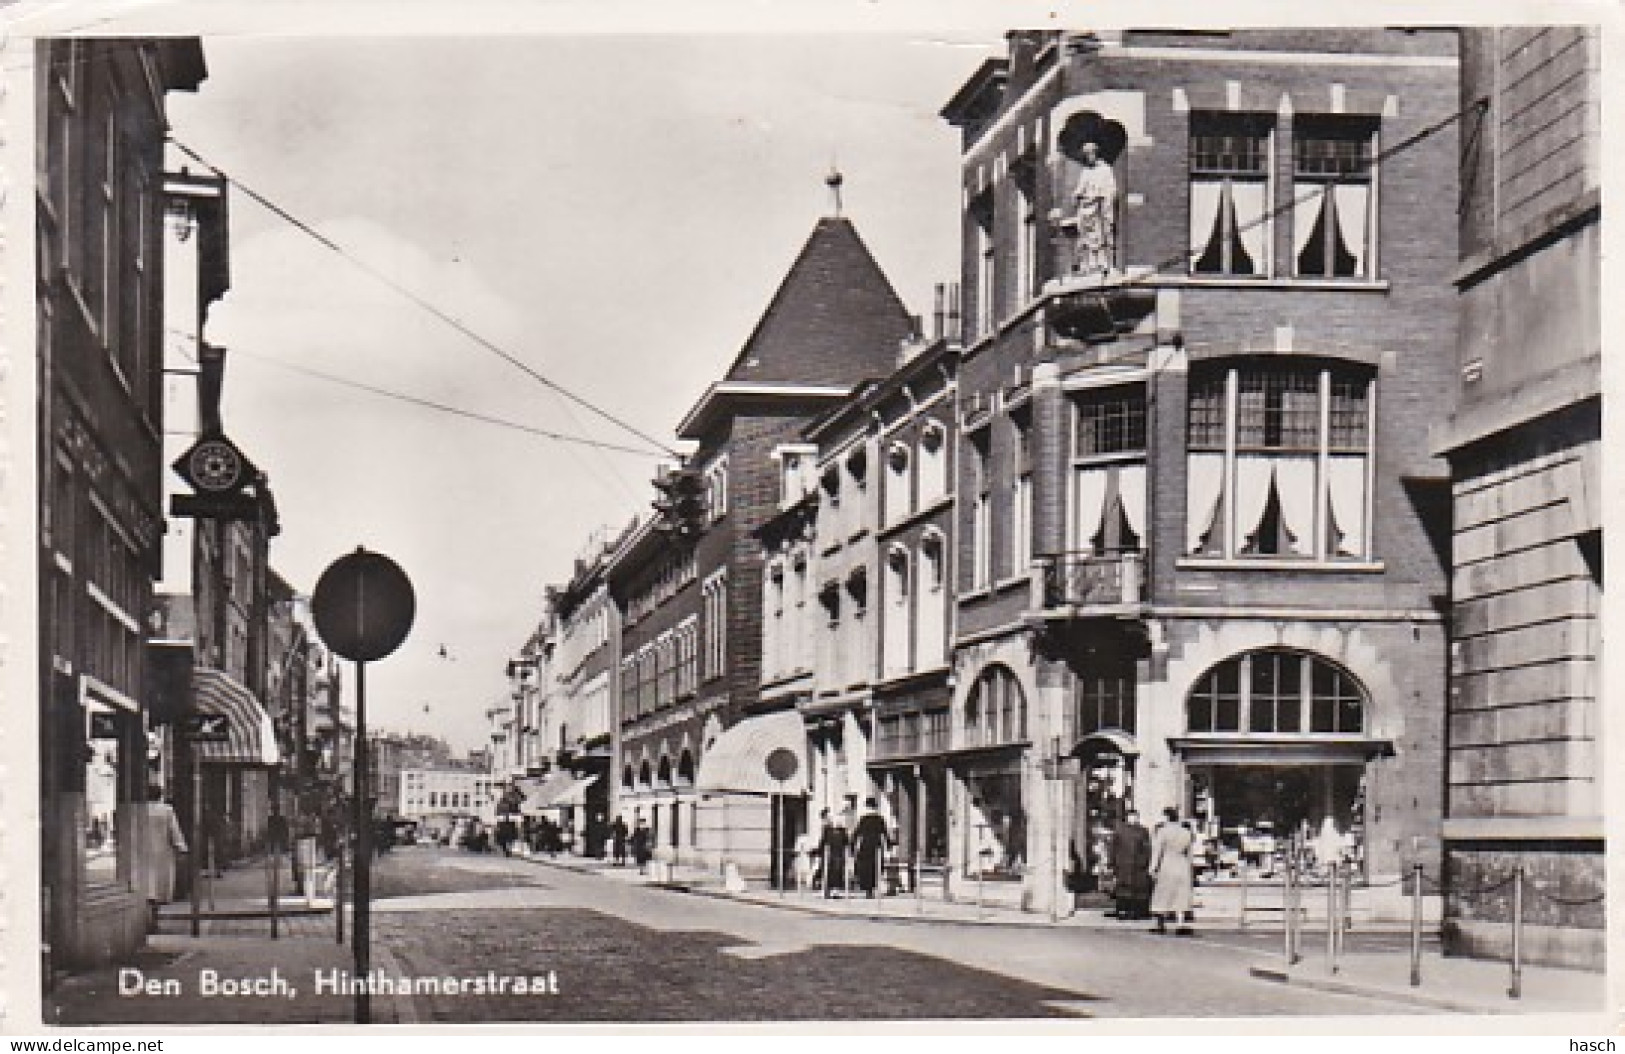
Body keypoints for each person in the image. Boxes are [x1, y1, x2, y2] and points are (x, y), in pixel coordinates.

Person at [1070, 140, 1118, 277]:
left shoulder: (1106, 170)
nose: (1088, 157)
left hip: (1099, 208)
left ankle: (1103, 263)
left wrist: (1100, 197)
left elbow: (1111, 190)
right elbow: (1080, 188)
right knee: (1087, 237)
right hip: (1086, 209)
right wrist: (1077, 196)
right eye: (1086, 154)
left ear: (1096, 154)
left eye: (1090, 153)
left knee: (1100, 235)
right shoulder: (1085, 172)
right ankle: (1089, 264)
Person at [1149, 807, 1196, 936]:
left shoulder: (1163, 832)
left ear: (1166, 817)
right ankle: (1180, 923)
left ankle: (1160, 923)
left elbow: (1157, 851)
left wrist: (1153, 868)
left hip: (1167, 863)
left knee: (1163, 894)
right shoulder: (1186, 833)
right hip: (1182, 864)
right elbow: (1190, 854)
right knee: (1180, 895)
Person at [1109, 809, 1153, 921]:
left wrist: (1145, 861)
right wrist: (1113, 862)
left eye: (1135, 817)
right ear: (1127, 818)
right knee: (1123, 888)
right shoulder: (1120, 830)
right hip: (1123, 863)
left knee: (1137, 889)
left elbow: (1147, 848)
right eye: (1131, 817)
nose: (1133, 819)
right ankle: (1123, 910)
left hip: (1138, 864)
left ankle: (1136, 911)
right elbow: (1113, 847)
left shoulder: (1143, 831)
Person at [852, 798, 891, 898]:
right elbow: (885, 834)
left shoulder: (864, 819)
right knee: (876, 867)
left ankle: (868, 889)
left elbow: (856, 834)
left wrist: (853, 846)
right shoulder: (880, 819)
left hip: (866, 846)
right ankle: (873, 887)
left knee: (866, 867)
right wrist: (888, 845)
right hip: (876, 846)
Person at [815, 808, 850, 898]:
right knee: (830, 871)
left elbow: (846, 842)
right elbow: (823, 842)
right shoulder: (829, 829)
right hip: (831, 854)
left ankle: (832, 891)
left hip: (835, 854)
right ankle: (829, 890)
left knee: (834, 872)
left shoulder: (836, 830)